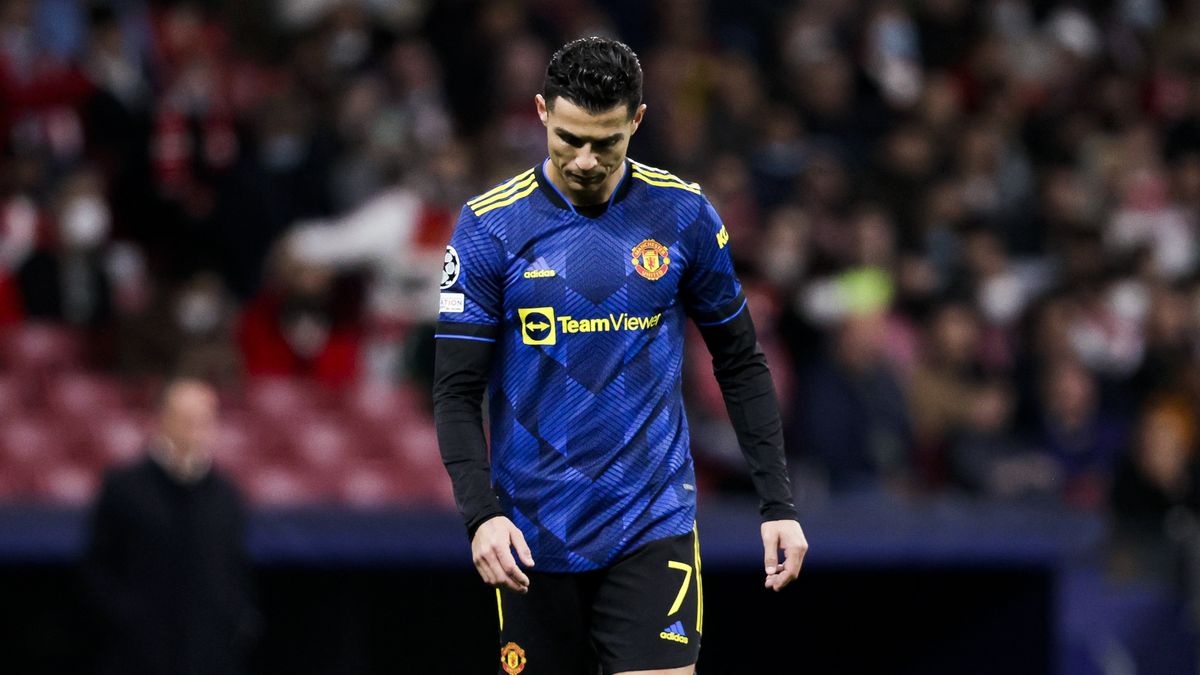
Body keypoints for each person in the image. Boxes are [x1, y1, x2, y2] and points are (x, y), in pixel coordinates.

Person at [433, 37, 806, 675]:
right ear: (542, 111)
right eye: (569, 137)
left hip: (650, 519)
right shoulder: (488, 227)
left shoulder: (682, 215)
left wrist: (778, 503)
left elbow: (740, 360)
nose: (584, 160)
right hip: (531, 529)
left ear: (636, 121)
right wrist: (481, 517)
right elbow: (455, 392)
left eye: (605, 142)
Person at [83, 377, 258, 675]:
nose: (197, 429)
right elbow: (99, 568)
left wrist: (235, 618)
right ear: (162, 419)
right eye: (187, 419)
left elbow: (235, 569)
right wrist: (126, 617)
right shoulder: (124, 488)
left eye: (205, 419)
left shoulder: (227, 495)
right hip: (137, 656)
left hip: (209, 656)